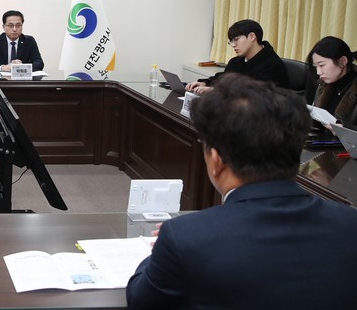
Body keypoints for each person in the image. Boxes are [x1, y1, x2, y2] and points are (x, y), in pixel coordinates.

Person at [126, 74, 357, 309]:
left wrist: (161, 252)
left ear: (216, 160)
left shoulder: (185, 237)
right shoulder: (350, 222)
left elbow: (141, 300)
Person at [186, 19, 288, 94]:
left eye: (236, 39)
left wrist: (215, 91)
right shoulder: (236, 62)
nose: (233, 45)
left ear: (252, 37)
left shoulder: (273, 65)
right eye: (231, 41)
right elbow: (223, 79)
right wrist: (205, 83)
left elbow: (254, 95)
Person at [307, 35, 357, 129]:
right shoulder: (323, 84)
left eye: (322, 65)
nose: (318, 72)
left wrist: (343, 129)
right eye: (316, 66)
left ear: (343, 61)